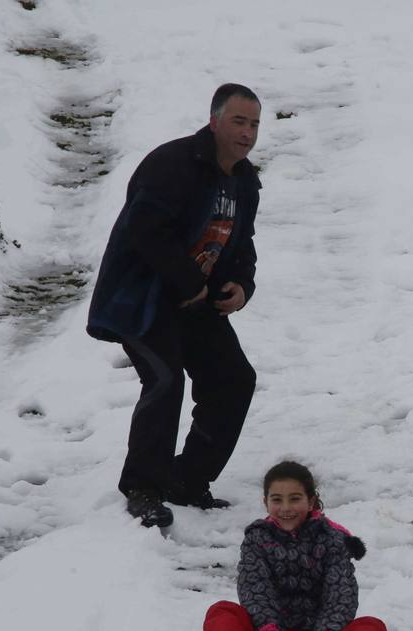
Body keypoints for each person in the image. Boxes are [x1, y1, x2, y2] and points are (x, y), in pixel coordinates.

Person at [86, 83, 263, 528]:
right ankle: (144, 487)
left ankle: (187, 481)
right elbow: (146, 232)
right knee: (164, 380)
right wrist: (189, 281)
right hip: (142, 300)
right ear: (214, 120)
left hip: (196, 302)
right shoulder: (172, 164)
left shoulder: (244, 181)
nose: (247, 133)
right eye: (239, 121)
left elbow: (242, 245)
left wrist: (242, 284)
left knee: (234, 380)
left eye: (255, 124)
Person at [201, 460, 387, 631]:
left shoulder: (332, 540)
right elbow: (254, 588)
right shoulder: (257, 539)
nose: (286, 508)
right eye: (277, 500)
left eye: (295, 499)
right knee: (222, 612)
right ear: (266, 502)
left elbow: (340, 593)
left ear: (311, 502)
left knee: (371, 627)